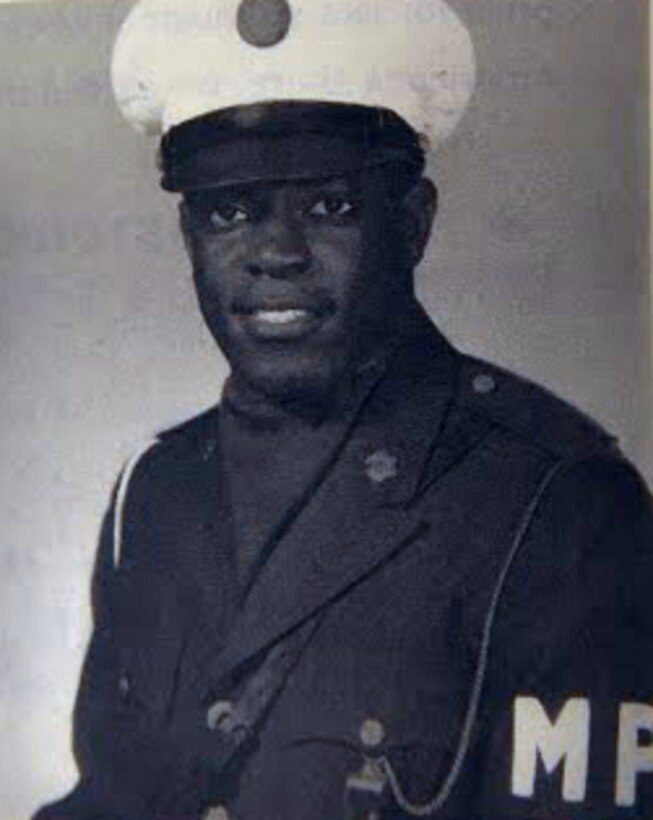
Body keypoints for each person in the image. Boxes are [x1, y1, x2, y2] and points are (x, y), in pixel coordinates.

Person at [35, 0, 653, 818]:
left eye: (330, 207)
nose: (275, 254)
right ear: (189, 237)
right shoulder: (156, 491)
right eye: (230, 210)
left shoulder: (560, 510)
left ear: (413, 223)